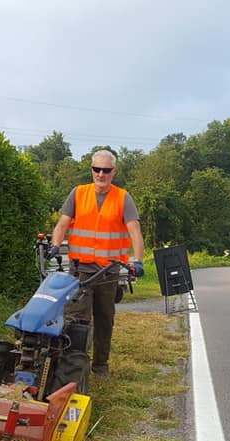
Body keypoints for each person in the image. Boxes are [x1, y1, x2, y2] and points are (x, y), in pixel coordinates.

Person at [48, 149, 145, 379]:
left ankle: (100, 366)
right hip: (80, 269)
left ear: (114, 172)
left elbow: (135, 231)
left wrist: (138, 261)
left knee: (104, 319)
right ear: (91, 169)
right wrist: (55, 244)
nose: (100, 174)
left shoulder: (123, 198)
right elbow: (62, 224)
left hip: (108, 272)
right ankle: (72, 366)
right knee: (75, 318)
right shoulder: (78, 193)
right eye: (96, 169)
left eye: (106, 170)